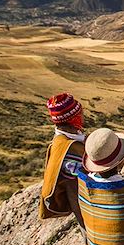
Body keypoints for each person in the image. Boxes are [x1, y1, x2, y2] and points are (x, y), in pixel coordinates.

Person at [39, 92, 86, 234]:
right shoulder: (69, 151)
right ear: (74, 118)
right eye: (80, 113)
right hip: (86, 209)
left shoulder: (62, 141)